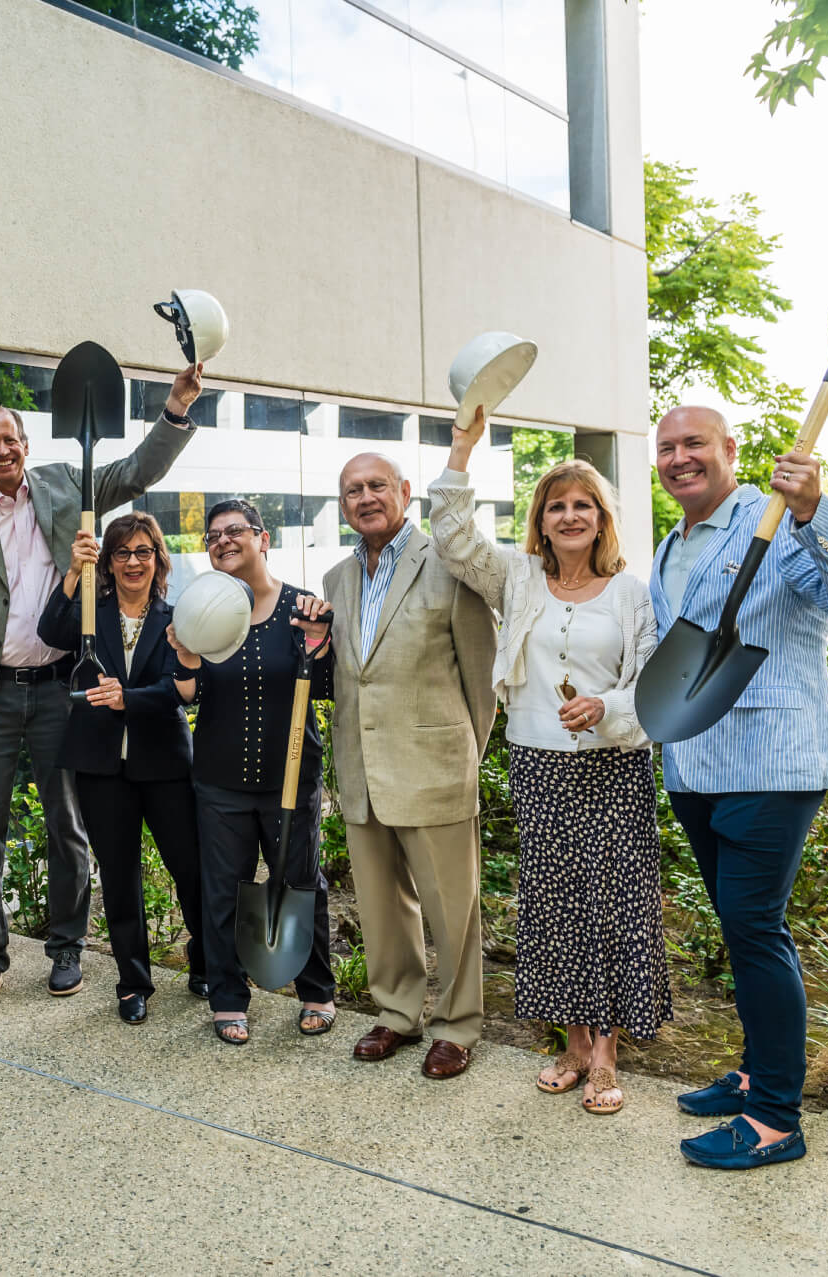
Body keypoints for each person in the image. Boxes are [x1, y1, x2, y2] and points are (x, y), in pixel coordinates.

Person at [0, 367, 203, 1012]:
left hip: (63, 687)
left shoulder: (68, 485)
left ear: (25, 444)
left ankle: (67, 947)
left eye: (10, 439)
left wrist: (175, 410)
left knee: (68, 826)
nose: (2, 450)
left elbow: (137, 472)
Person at [651, 405, 828, 1169]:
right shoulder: (671, 544)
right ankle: (755, 1071)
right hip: (696, 763)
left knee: (755, 927)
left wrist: (815, 510)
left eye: (694, 443)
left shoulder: (779, 517)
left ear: (730, 449)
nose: (680, 457)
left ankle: (776, 1118)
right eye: (667, 447)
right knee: (738, 926)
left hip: (771, 760)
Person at [431, 408, 666, 1115]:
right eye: (557, 505)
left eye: (582, 505)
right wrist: (462, 449)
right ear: (541, 519)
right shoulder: (519, 577)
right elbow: (453, 539)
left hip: (613, 769)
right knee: (555, 906)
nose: (569, 516)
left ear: (601, 518)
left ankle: (607, 1055)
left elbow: (652, 687)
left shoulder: (629, 592)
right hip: (539, 764)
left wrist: (606, 707)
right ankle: (573, 1044)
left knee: (614, 906)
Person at [322, 454, 497, 1079]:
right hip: (362, 769)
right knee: (380, 905)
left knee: (453, 909)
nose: (365, 497)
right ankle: (397, 1013)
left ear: (403, 492)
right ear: (342, 505)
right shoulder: (336, 578)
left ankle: (457, 1025)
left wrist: (462, 754)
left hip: (435, 767)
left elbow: (482, 680)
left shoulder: (448, 565)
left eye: (377, 486)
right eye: (353, 490)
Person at [168, 499, 336, 1046]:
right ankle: (228, 997)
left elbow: (326, 686)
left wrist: (320, 642)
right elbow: (187, 694)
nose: (222, 540)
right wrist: (185, 655)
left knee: (301, 885)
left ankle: (316, 990)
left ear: (263, 539)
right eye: (212, 536)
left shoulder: (301, 609)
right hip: (220, 781)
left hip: (291, 776)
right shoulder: (200, 611)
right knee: (223, 892)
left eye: (234, 530)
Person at [36, 512, 204, 1024]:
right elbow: (49, 630)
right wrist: (73, 572)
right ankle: (133, 983)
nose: (133, 562)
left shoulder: (178, 618)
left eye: (143, 552)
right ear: (107, 562)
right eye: (122, 553)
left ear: (158, 559)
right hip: (100, 765)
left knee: (190, 869)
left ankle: (206, 962)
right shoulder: (91, 613)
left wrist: (127, 698)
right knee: (119, 877)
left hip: (165, 763)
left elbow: (184, 689)